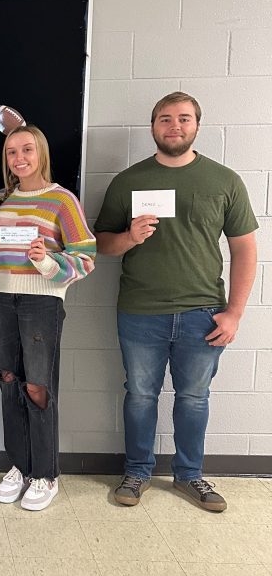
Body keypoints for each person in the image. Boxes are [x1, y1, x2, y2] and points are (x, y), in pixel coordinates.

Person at [94, 92, 258, 512]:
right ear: (153, 126)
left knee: (194, 398)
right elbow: (101, 244)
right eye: (165, 119)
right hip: (140, 312)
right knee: (140, 395)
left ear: (197, 126)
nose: (174, 126)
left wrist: (235, 313)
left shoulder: (224, 181)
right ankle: (137, 471)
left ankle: (189, 475)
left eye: (184, 118)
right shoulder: (128, 181)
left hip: (203, 314)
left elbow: (244, 249)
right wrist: (129, 237)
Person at [0, 124, 96, 511]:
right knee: (8, 381)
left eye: (27, 150)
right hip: (1, 301)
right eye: (12, 152)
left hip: (41, 302)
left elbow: (86, 256)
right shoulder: (0, 200)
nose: (19, 158)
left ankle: (46, 473)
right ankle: (19, 466)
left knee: (38, 387)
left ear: (41, 153)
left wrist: (47, 263)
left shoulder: (62, 200)